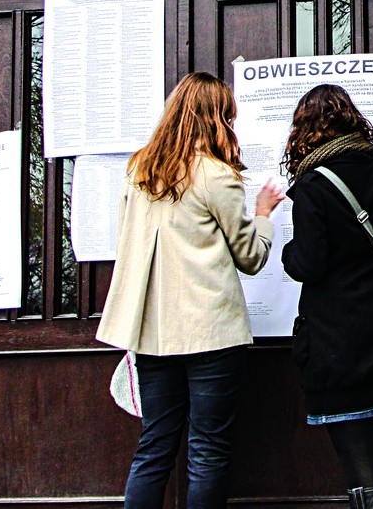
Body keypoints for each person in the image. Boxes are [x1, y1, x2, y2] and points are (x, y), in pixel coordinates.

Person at [96, 71, 285, 509]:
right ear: (218, 118)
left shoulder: (138, 171)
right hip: (212, 333)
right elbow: (251, 258)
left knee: (154, 446)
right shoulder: (217, 175)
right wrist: (263, 214)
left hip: (151, 333)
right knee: (207, 450)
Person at [280, 84, 373, 509]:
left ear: (304, 130)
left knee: (359, 457)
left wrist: (288, 253)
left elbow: (307, 263)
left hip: (335, 341)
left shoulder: (313, 186)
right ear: (353, 120)